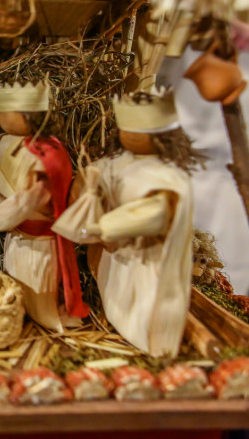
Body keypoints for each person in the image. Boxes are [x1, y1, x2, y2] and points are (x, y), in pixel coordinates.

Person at [57, 89, 202, 357]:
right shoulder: (117, 163)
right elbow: (96, 176)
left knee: (145, 306)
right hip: (117, 255)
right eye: (127, 129)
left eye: (142, 131)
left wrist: (106, 227)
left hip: (149, 257)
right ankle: (118, 327)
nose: (132, 135)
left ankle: (150, 349)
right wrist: (88, 185)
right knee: (117, 295)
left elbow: (155, 213)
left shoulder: (169, 175)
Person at [0, 80, 88, 332]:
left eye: (8, 111)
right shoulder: (3, 141)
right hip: (15, 236)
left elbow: (27, 200)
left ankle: (46, 322)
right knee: (14, 282)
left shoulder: (47, 154)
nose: (2, 116)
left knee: (37, 290)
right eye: (1, 111)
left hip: (37, 242)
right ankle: (18, 317)